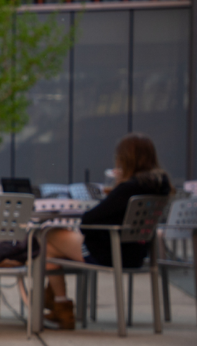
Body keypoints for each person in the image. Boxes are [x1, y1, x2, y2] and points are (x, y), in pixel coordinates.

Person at [40, 133, 172, 330]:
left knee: (48, 235)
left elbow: (88, 220)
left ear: (125, 158)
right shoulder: (160, 185)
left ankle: (60, 305)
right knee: (51, 250)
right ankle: (58, 305)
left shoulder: (129, 187)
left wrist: (116, 188)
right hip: (137, 253)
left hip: (110, 253)